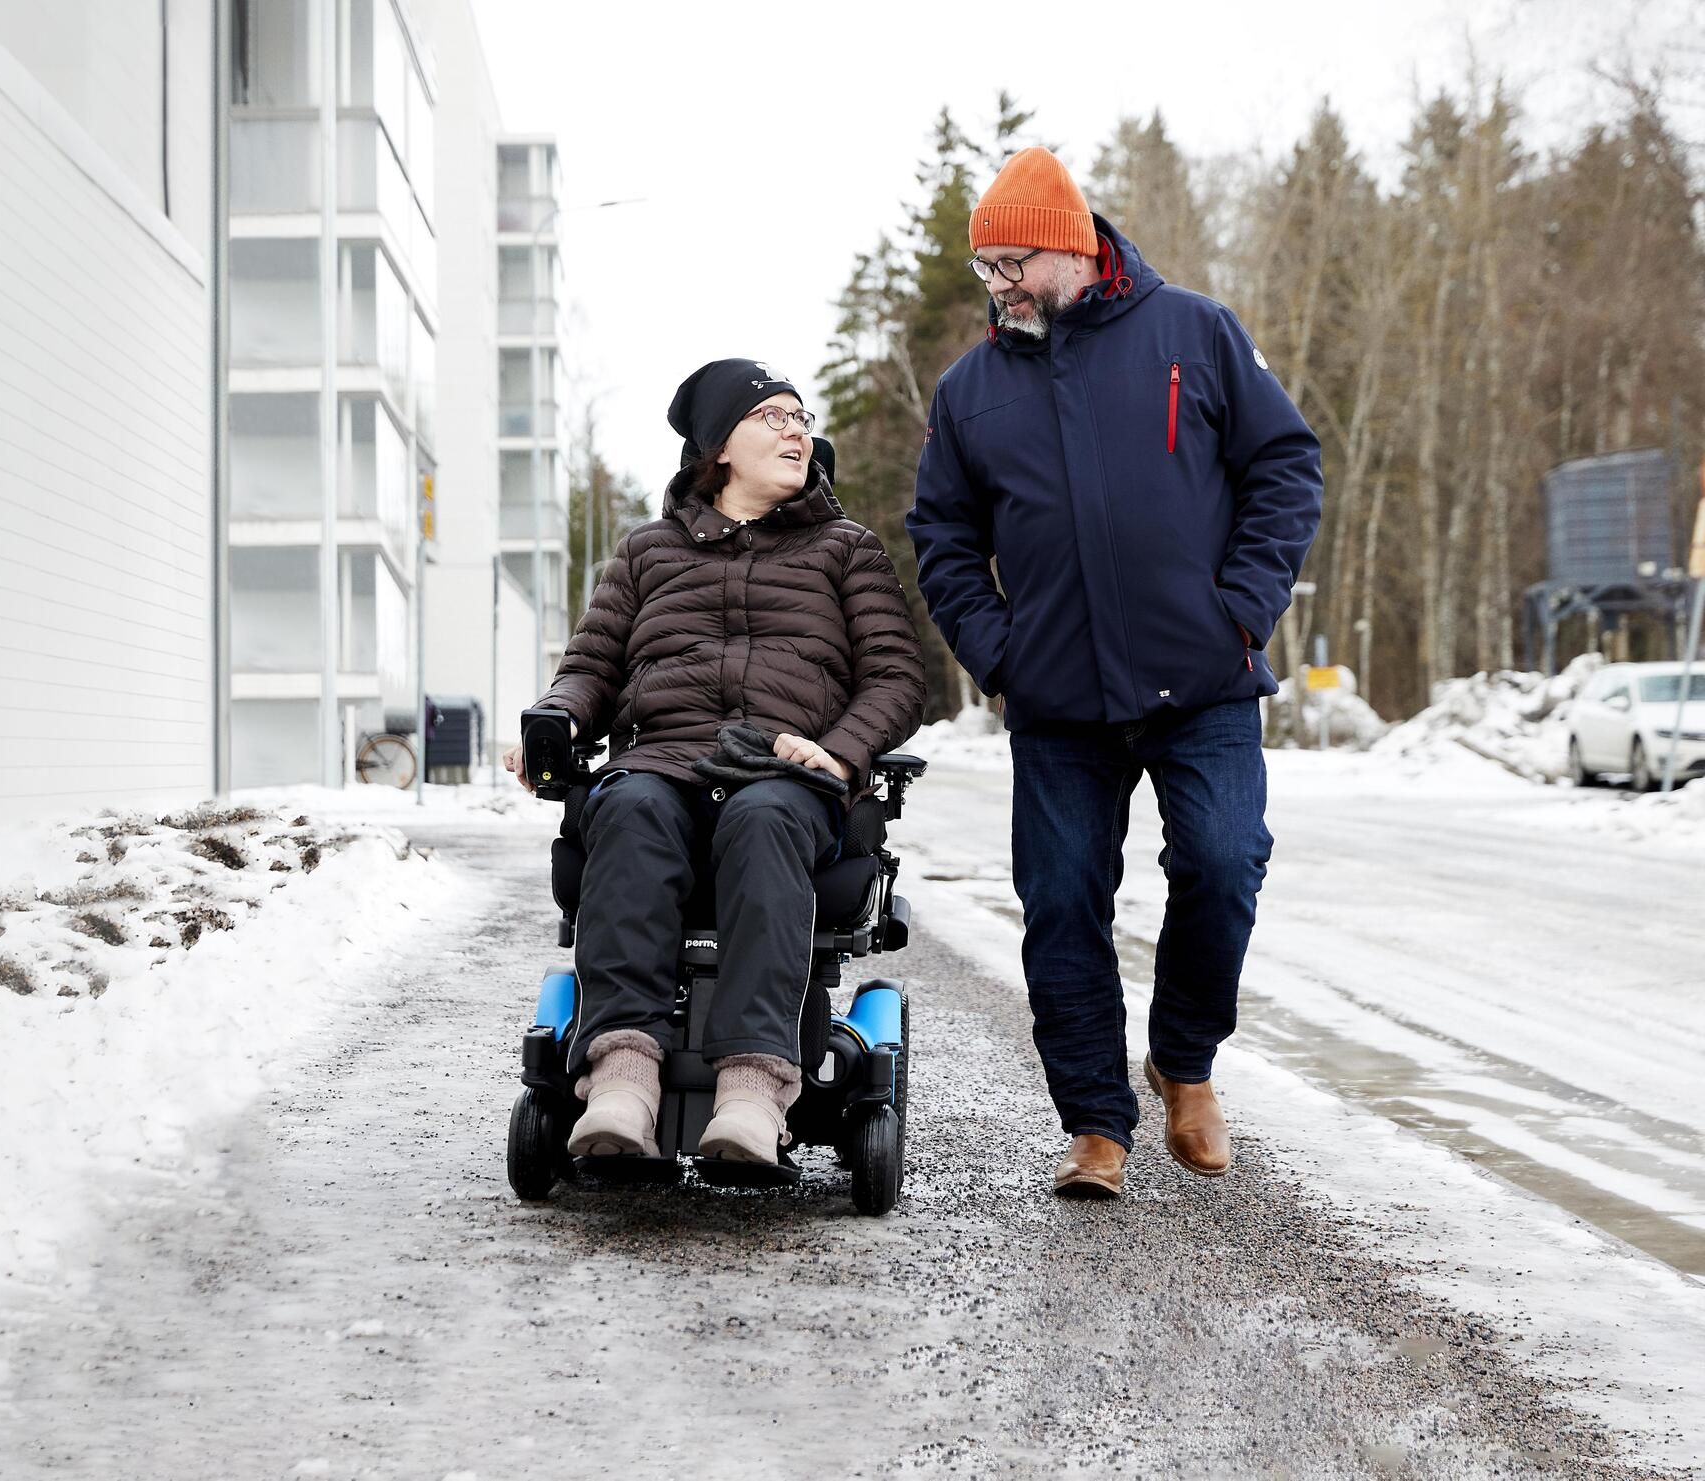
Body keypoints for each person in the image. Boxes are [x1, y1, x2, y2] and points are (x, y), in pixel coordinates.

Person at [906, 149, 1322, 1200]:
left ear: (1073, 246)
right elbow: (943, 534)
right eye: (984, 265)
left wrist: (1243, 611)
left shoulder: (1198, 332)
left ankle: (1184, 1063)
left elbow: (1285, 467)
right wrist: (997, 654)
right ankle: (1096, 1124)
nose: (995, 283)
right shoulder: (970, 390)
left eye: (1012, 262)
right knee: (1060, 905)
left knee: (1225, 862)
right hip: (1057, 699)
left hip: (1204, 678)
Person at [506, 359, 926, 1167]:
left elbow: (896, 679)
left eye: (802, 418)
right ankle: (623, 1077)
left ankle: (752, 1087)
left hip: (787, 775)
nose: (796, 430)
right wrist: (555, 721)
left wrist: (836, 751)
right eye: (772, 416)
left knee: (765, 816)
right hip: (662, 763)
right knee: (626, 807)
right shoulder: (646, 552)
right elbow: (590, 667)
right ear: (718, 447)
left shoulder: (847, 551)